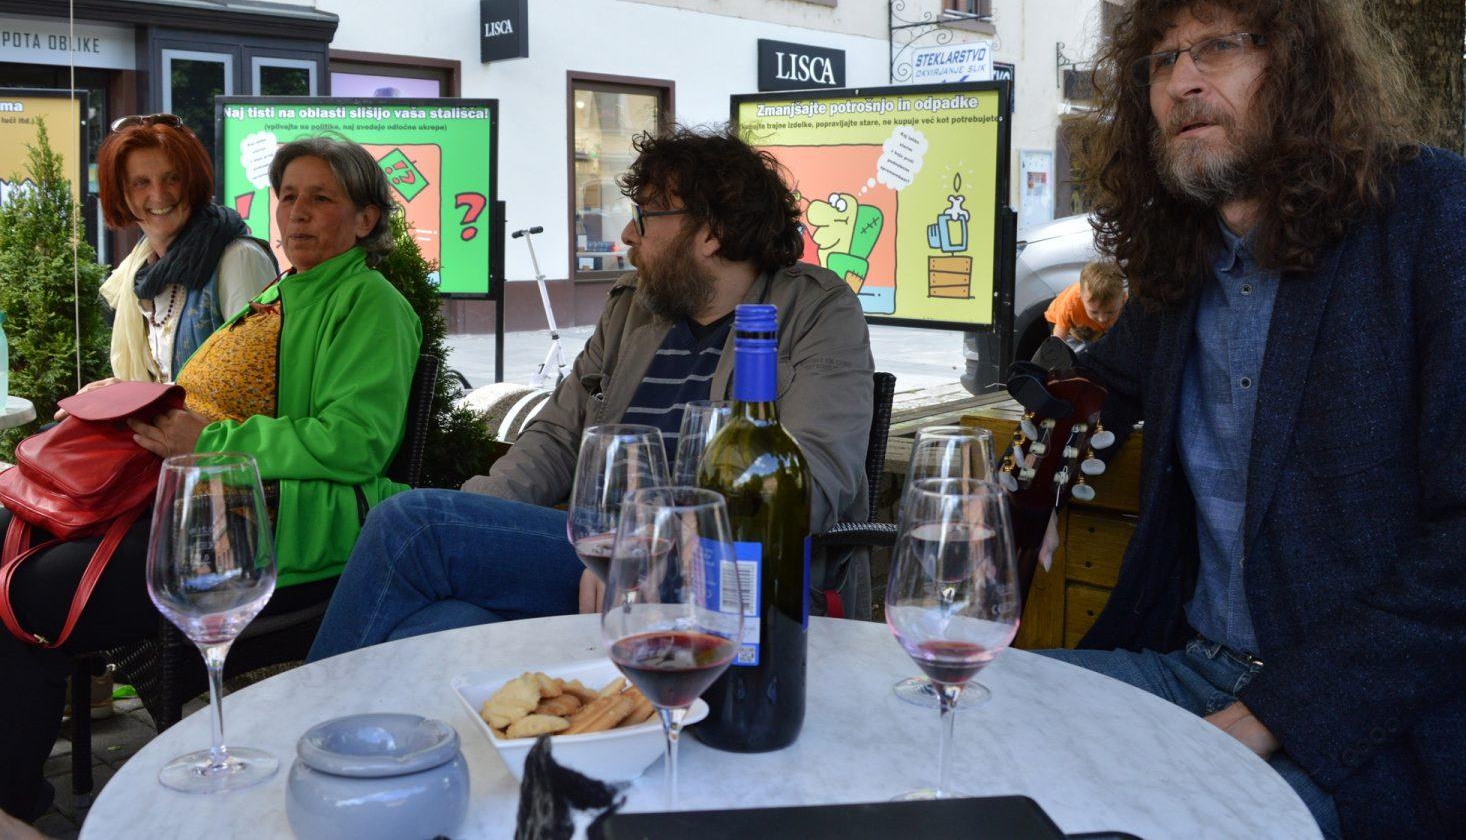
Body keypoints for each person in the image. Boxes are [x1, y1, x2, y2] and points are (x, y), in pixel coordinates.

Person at [1041, 0, 1466, 839]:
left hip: (1376, 724)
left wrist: (1276, 712)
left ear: (1299, 66)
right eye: (1162, 60)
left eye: (1218, 47)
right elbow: (1092, 384)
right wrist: (1028, 475)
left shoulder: (1443, 218)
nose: (1183, 81)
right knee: (961, 716)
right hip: (1188, 669)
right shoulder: (1183, 261)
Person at [308, 124, 874, 661]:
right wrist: (476, 517)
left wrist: (656, 542)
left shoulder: (815, 310)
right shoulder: (635, 308)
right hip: (601, 561)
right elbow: (555, 439)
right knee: (444, 622)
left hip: (734, 575)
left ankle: (305, 713)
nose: (628, 234)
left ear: (712, 233)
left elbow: (816, 473)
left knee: (412, 525)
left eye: (645, 216)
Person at [0, 135, 420, 822]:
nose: (297, 212)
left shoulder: (369, 302)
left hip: (277, 523)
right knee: (8, 539)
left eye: (321, 198)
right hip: (209, 502)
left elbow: (356, 443)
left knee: (30, 593)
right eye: (288, 196)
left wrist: (209, 441)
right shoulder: (289, 289)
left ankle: (13, 804)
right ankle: (14, 795)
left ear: (365, 219)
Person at [95, 114, 278, 385]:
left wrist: (137, 395)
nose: (159, 195)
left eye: (172, 178)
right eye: (141, 182)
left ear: (193, 182)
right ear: (121, 194)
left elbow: (257, 382)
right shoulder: (140, 267)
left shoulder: (238, 259)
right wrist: (122, 392)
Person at [1043, 258, 1126, 344]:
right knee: (1074, 348)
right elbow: (1058, 341)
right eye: (1094, 312)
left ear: (1123, 299)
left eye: (1110, 312)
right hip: (1061, 322)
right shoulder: (1071, 306)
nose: (1102, 319)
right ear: (1081, 298)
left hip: (1091, 326)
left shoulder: (1126, 303)